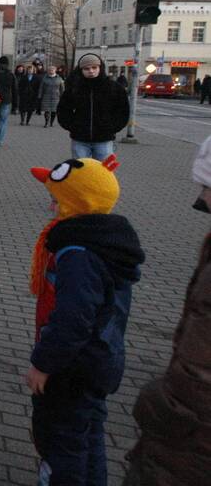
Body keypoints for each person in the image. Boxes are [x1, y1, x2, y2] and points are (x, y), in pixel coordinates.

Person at [27, 155, 145, 485]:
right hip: (100, 359)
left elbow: (73, 320)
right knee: (88, 435)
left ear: (74, 204)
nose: (51, 208)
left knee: (62, 442)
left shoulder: (77, 253)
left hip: (74, 368)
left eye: (56, 200)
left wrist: (43, 363)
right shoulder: (106, 241)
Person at [123, 136, 211, 485]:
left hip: (186, 452)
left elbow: (198, 380)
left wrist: (156, 404)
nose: (201, 199)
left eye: (206, 185)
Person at [57, 54, 130, 160]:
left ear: (100, 68)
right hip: (80, 139)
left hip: (104, 140)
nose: (91, 71)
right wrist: (72, 126)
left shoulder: (114, 87)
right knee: (80, 173)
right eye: (86, 68)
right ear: (81, 70)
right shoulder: (74, 88)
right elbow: (63, 109)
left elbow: (122, 111)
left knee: (103, 173)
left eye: (94, 67)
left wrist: (112, 128)